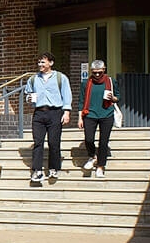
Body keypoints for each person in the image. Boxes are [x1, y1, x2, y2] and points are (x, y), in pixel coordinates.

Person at [25, 53, 73, 184]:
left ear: (50, 63)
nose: (40, 65)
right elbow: (28, 93)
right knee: (38, 142)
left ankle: (54, 168)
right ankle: (37, 171)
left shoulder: (60, 78)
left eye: (43, 62)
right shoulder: (33, 79)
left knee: (53, 142)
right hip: (39, 113)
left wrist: (66, 112)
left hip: (55, 113)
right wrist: (29, 98)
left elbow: (66, 96)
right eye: (39, 62)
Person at [79, 60, 120, 179]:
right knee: (89, 139)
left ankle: (101, 167)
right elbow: (81, 101)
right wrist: (80, 118)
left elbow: (118, 97)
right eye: (95, 72)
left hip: (107, 114)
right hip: (90, 114)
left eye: (99, 72)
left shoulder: (111, 81)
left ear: (104, 70)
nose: (97, 75)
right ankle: (92, 156)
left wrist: (112, 98)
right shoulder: (86, 83)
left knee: (103, 142)